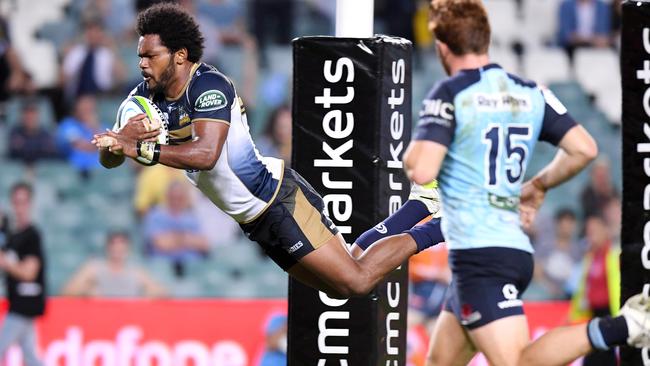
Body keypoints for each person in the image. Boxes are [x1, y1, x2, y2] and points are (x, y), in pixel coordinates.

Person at [92, 3, 444, 299]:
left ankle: (443, 226)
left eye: (150, 56)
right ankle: (421, 204)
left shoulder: (210, 86)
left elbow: (206, 154)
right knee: (342, 282)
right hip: (253, 220)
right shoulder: (141, 99)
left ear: (180, 56)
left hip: (277, 199)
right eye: (140, 56)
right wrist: (115, 145)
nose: (142, 64)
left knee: (356, 280)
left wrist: (139, 147)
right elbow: (111, 156)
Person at [402, 1, 650, 365]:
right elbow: (584, 148)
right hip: (509, 250)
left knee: (517, 363)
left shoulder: (450, 93)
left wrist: (413, 154)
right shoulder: (529, 90)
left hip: (480, 254)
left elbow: (421, 170)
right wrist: (540, 185)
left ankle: (625, 325)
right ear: (486, 39)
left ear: (442, 47)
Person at [0, 183, 46, 366]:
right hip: (18, 302)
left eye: (24, 202)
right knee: (31, 357)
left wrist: (4, 261)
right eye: (16, 202)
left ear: (30, 204)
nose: (20, 207)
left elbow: (29, 272)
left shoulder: (32, 235)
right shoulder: (13, 236)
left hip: (25, 304)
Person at [569, 215, 620, 366]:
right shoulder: (589, 258)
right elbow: (582, 290)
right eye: (589, 231)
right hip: (594, 315)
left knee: (605, 356)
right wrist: (574, 314)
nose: (591, 235)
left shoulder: (615, 255)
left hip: (611, 314)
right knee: (593, 356)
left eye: (595, 230)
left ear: (605, 231)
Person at [62, 231, 167, 298]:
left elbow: (162, 293)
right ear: (107, 247)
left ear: (128, 249)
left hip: (127, 319)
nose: (117, 250)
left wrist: (147, 296)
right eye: (114, 246)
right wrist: (86, 291)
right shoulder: (94, 267)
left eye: (121, 247)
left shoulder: (135, 272)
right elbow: (67, 292)